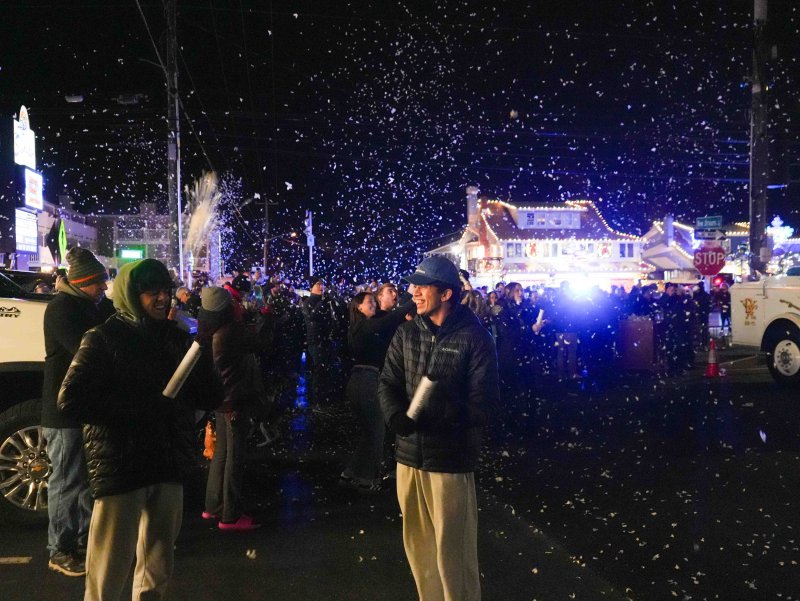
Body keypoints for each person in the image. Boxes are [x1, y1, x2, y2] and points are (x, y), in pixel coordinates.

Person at [58, 258, 220, 601]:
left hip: (166, 461)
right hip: (121, 464)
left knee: (157, 565)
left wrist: (203, 358)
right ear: (132, 294)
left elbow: (207, 395)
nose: (163, 299)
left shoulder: (174, 338)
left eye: (166, 291)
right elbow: (70, 400)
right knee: (110, 566)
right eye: (152, 292)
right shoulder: (103, 337)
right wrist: (140, 408)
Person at [378, 255, 499, 601]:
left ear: (445, 293)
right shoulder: (406, 332)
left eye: (421, 286)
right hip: (408, 457)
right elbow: (387, 382)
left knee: (453, 554)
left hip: (450, 462)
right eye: (412, 285)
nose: (412, 291)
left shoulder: (475, 338)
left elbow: (485, 405)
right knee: (419, 550)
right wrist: (395, 415)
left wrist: (444, 413)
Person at [42, 247, 115, 577]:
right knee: (67, 480)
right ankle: (59, 550)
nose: (103, 288)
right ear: (83, 282)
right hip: (63, 412)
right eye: (98, 283)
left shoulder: (89, 306)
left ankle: (85, 539)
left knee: (85, 480)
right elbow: (87, 349)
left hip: (82, 409)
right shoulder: (62, 309)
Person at [197, 287, 264, 530]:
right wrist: (261, 316)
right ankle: (231, 515)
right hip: (235, 399)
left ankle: (213, 506)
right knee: (235, 457)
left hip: (220, 398)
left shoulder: (208, 329)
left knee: (222, 455)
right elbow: (260, 342)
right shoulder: (231, 330)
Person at [340, 291, 414, 493]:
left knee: (368, 431)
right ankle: (367, 478)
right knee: (376, 430)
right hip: (367, 381)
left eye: (374, 301)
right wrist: (413, 299)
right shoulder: (365, 326)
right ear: (358, 307)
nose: (374, 304)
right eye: (369, 302)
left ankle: (352, 472)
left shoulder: (359, 328)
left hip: (358, 380)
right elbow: (390, 320)